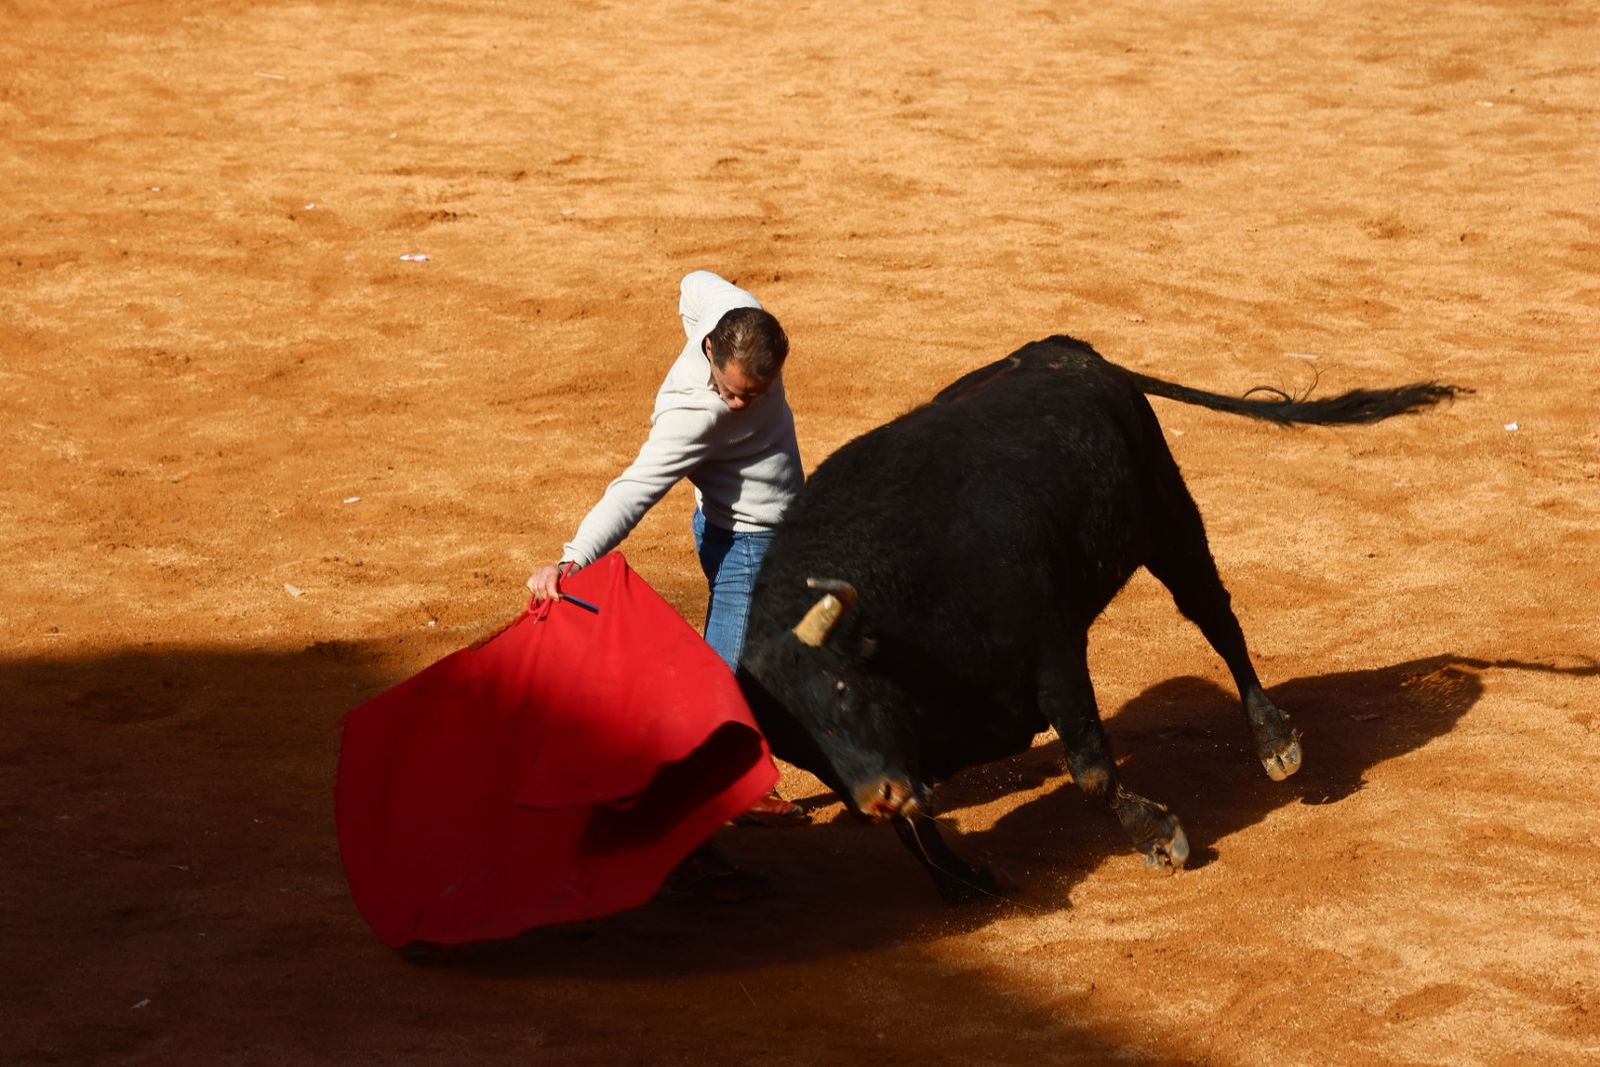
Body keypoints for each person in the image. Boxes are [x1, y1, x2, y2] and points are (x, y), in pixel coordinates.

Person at [527, 270, 808, 832]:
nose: (736, 403)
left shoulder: (734, 312)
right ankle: (735, 790)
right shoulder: (693, 418)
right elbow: (633, 491)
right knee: (721, 683)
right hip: (748, 547)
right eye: (729, 389)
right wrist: (573, 559)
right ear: (710, 348)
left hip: (729, 526)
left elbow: (693, 282)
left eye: (751, 394)